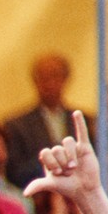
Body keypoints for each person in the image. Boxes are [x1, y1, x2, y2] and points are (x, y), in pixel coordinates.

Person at [5, 53, 76, 190]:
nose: (50, 83)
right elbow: (15, 171)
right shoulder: (17, 125)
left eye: (55, 75)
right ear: (35, 81)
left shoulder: (82, 120)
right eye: (43, 77)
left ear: (66, 79)